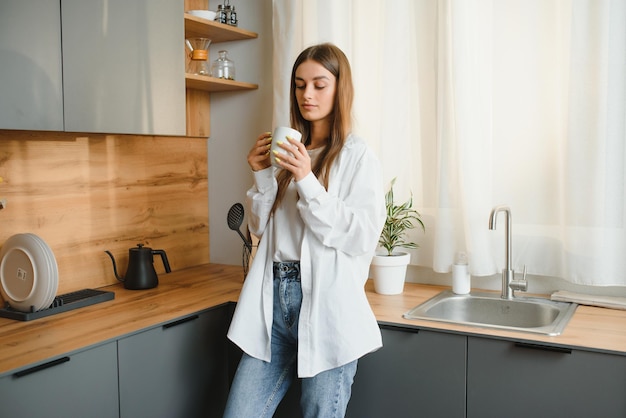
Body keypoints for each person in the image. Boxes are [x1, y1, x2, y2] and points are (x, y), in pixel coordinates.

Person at [224, 43, 386, 418]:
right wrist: (263, 173)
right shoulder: (291, 151)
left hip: (328, 308)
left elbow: (361, 234)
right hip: (273, 305)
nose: (307, 95)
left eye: (319, 84)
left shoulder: (356, 155)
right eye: (299, 85)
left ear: (339, 88)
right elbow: (259, 228)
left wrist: (307, 179)